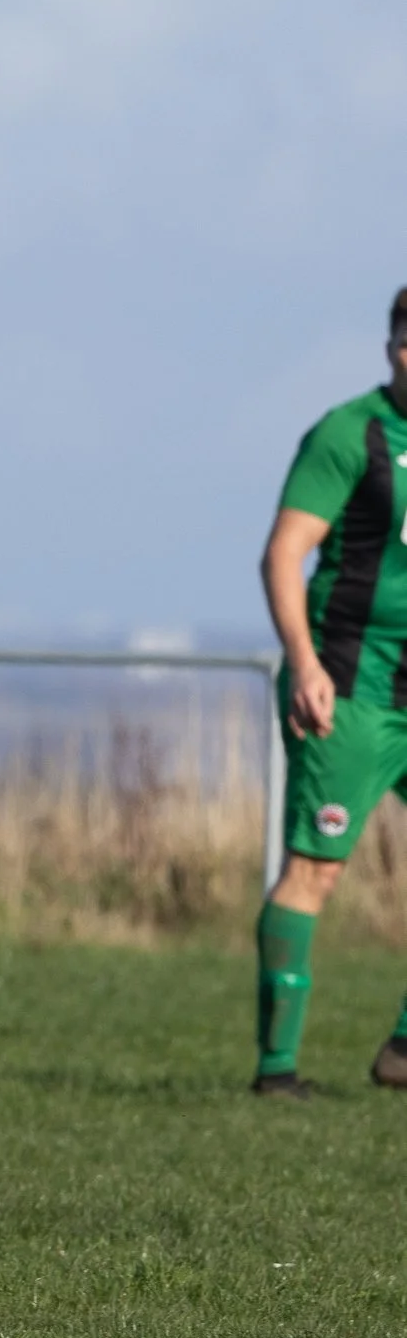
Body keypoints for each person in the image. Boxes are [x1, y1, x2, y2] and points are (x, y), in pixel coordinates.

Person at [256, 287, 407, 1099]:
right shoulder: (349, 435)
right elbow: (284, 554)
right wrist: (305, 662)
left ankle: (405, 1053)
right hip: (346, 684)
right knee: (316, 869)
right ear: (390, 347)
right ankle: (276, 1070)